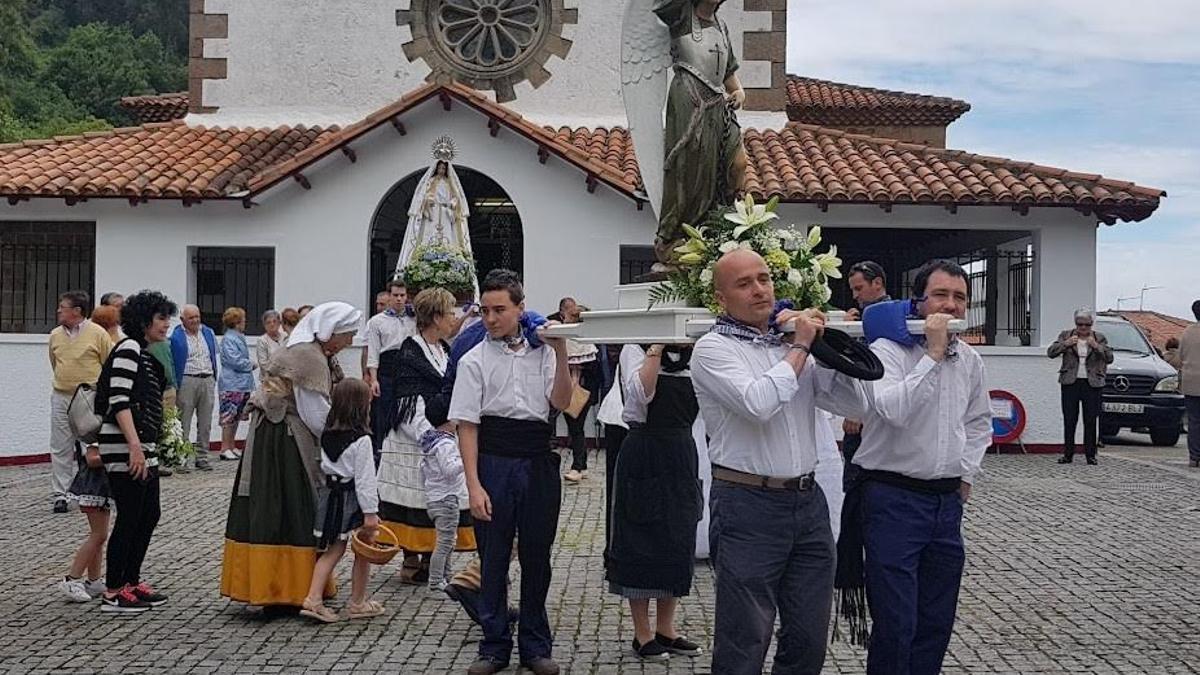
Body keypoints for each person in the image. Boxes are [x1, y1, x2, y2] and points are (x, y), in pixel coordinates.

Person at [691, 249, 870, 675]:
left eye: (764, 278)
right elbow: (759, 403)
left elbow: (855, 404)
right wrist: (802, 346)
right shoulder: (712, 349)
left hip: (808, 503)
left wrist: (828, 348)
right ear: (721, 299)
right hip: (747, 503)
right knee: (744, 640)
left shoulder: (792, 346)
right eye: (744, 283)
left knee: (809, 638)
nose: (759, 290)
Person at [839, 260, 992, 675]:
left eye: (960, 297)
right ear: (919, 302)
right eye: (941, 295)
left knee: (935, 622)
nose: (951, 305)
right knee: (896, 621)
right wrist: (933, 355)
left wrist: (965, 476)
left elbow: (979, 422)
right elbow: (892, 410)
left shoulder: (971, 360)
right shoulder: (888, 351)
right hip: (893, 499)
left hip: (945, 505)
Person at [450, 269, 572, 675]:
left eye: (499, 309)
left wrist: (559, 351)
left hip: (537, 458)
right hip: (494, 460)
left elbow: (561, 401)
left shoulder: (542, 353)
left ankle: (536, 645)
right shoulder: (473, 359)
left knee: (537, 556)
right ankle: (493, 645)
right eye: (485, 310)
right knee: (494, 557)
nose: (490, 318)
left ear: (520, 308)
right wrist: (474, 484)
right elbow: (467, 425)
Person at [220, 302, 362, 611]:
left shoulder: (307, 349)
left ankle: (281, 586)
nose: (349, 342)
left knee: (275, 507)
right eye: (347, 335)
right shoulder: (307, 358)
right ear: (331, 332)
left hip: (274, 437)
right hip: (284, 441)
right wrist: (344, 442)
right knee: (290, 507)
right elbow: (314, 413)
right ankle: (282, 588)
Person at [606, 343, 703, 661]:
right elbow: (640, 395)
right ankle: (641, 633)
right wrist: (656, 349)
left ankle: (666, 628)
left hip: (681, 450)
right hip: (645, 450)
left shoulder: (694, 354)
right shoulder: (635, 349)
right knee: (641, 536)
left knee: (678, 534)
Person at [378, 288, 475, 587]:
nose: (455, 318)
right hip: (416, 439)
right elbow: (407, 405)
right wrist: (433, 437)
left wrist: (454, 426)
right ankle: (411, 559)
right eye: (450, 312)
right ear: (435, 318)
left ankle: (430, 560)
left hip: (443, 434)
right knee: (414, 504)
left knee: (439, 503)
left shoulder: (443, 349)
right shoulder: (409, 352)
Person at [96, 290, 176, 612]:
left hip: (143, 446)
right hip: (126, 447)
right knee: (130, 517)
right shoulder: (128, 350)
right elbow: (119, 401)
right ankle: (113, 591)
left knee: (148, 514)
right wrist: (134, 448)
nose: (166, 324)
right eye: (160, 318)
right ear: (143, 321)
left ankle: (131, 580)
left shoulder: (142, 353)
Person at [301, 378, 384, 623]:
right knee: (364, 549)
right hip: (352, 500)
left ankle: (314, 597)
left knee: (333, 550)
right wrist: (370, 513)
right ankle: (357, 602)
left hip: (331, 497)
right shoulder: (363, 441)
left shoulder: (326, 435)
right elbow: (365, 480)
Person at [47, 291, 114, 513]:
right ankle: (61, 494)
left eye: (62, 307)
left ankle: (96, 490)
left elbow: (108, 364)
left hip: (88, 397)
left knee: (92, 445)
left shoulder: (97, 333)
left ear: (77, 311)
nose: (58, 310)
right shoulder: (55, 335)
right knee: (60, 445)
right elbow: (55, 363)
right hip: (61, 395)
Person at [1047, 309, 1113, 465]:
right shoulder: (1066, 335)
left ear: (1091, 324)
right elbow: (1050, 352)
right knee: (1070, 419)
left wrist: (1096, 346)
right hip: (1071, 382)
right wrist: (1065, 344)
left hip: (1092, 383)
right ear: (1075, 324)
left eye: (1086, 325)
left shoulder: (1099, 337)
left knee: (1090, 420)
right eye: (1080, 324)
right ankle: (1067, 454)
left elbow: (1109, 358)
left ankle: (1090, 455)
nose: (1083, 328)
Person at [841, 261, 891, 461]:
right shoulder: (861, 318)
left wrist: (858, 411)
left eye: (859, 288)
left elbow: (869, 366)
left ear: (877, 283)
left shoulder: (888, 319)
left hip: (873, 410)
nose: (855, 295)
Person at [548, 298, 600, 483]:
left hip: (578, 390)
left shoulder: (581, 339)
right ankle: (581, 464)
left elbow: (578, 368)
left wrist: (573, 385)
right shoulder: (565, 333)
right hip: (566, 388)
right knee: (571, 426)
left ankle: (578, 466)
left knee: (576, 427)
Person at [367, 281, 415, 452]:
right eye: (395, 295)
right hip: (386, 369)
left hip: (408, 367)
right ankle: (382, 448)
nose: (399, 299)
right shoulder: (376, 322)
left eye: (402, 295)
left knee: (407, 409)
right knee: (384, 410)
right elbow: (373, 352)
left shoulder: (414, 318)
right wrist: (373, 380)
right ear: (389, 297)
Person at [170, 305, 218, 471]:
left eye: (197, 316)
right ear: (183, 320)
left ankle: (202, 456)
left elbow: (212, 355)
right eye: (191, 318)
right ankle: (181, 458)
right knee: (184, 421)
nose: (196, 320)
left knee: (205, 422)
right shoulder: (176, 337)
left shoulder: (208, 333)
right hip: (187, 380)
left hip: (207, 378)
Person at [218, 308, 255, 462]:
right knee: (228, 417)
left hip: (242, 384)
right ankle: (225, 447)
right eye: (243, 319)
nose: (245, 322)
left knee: (237, 416)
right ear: (236, 322)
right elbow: (234, 360)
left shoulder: (239, 337)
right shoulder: (229, 339)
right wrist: (250, 364)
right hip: (231, 384)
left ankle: (232, 445)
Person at [1176, 300, 1200, 468]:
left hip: (1191, 382)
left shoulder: (1187, 332)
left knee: (1194, 421)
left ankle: (1194, 456)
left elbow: (1181, 357)